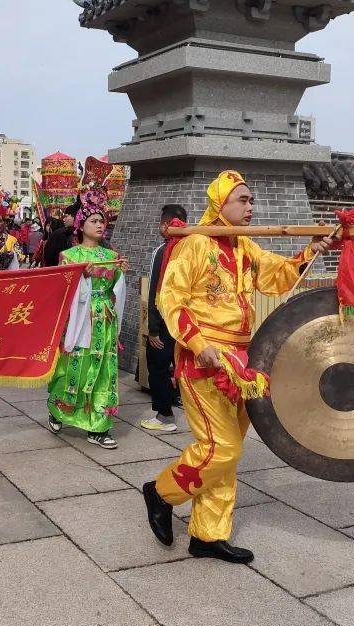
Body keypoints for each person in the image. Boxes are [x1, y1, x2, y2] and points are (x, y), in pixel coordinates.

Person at [142, 170, 334, 564]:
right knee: (221, 447)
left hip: (242, 360)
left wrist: (310, 250)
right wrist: (198, 343)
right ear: (221, 203)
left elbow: (276, 277)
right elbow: (170, 300)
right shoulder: (194, 244)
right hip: (204, 359)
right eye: (242, 200)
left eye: (251, 201)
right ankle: (161, 492)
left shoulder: (245, 245)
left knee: (228, 450)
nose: (250, 207)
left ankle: (208, 535)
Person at [46, 189, 127, 448]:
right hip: (79, 320)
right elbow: (61, 292)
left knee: (103, 369)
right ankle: (59, 410)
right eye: (94, 220)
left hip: (104, 318)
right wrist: (82, 278)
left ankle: (99, 426)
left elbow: (117, 289)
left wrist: (120, 273)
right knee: (74, 368)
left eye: (102, 221)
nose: (100, 224)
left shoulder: (112, 257)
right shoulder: (69, 257)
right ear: (80, 225)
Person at [140, 203, 189, 433]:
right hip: (187, 323)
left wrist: (153, 329)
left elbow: (155, 293)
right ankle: (177, 400)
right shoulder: (193, 249)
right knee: (180, 365)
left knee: (158, 367)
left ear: (166, 225)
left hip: (166, 323)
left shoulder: (164, 251)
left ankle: (164, 416)